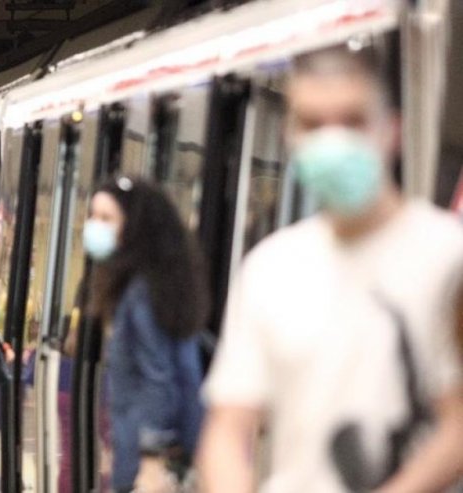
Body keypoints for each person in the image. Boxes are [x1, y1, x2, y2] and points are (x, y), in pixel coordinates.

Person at [198, 45, 463, 492]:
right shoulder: (270, 268)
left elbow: (457, 422)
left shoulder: (447, 256)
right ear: (290, 136)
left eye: (353, 120)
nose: (333, 141)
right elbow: (228, 426)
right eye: (313, 124)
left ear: (391, 131)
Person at [83, 176, 209, 492]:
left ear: (136, 226)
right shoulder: (156, 284)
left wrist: (151, 461)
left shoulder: (141, 293)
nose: (95, 226)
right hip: (138, 450)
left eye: (106, 218)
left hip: (146, 461)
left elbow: (157, 377)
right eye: (93, 217)